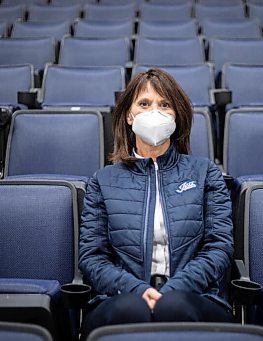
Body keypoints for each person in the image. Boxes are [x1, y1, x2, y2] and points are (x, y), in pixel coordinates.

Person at [78, 68, 234, 339]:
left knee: (174, 306)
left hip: (196, 297)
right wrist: (137, 290)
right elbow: (93, 257)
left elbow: (219, 247)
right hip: (120, 297)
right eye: (144, 104)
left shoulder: (205, 172)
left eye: (164, 104)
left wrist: (173, 290)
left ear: (177, 116)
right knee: (131, 309)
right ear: (129, 115)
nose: (154, 112)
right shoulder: (102, 181)